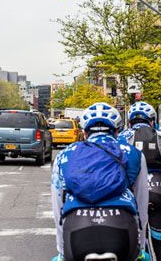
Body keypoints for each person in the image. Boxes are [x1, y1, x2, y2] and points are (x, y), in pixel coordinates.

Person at [51, 102, 149, 261]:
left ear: (84, 132)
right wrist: (141, 247)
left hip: (76, 226)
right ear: (117, 131)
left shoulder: (64, 155)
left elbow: (58, 206)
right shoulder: (134, 153)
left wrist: (62, 251)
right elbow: (141, 203)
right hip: (122, 226)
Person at [118, 101, 161, 261]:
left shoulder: (121, 138)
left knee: (141, 246)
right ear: (152, 120)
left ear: (129, 122)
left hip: (134, 191)